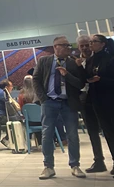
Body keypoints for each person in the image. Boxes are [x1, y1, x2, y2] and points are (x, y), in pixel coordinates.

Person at [33, 36, 87, 180]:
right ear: (55, 47)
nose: (68, 48)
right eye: (65, 45)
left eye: (69, 45)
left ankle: (75, 165)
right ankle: (48, 166)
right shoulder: (44, 61)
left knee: (72, 135)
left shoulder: (73, 63)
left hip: (68, 102)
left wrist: (66, 75)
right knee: (47, 134)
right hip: (49, 102)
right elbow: (36, 79)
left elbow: (80, 84)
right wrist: (43, 98)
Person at [86, 34, 114, 177]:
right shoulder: (90, 61)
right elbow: (86, 77)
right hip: (97, 102)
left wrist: (101, 80)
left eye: (94, 42)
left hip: (112, 101)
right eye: (90, 42)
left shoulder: (112, 60)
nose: (91, 44)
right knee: (109, 134)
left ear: (103, 44)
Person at [75, 35, 107, 173]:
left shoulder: (100, 59)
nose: (85, 48)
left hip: (102, 97)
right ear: (78, 47)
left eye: (87, 45)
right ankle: (99, 160)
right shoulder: (76, 62)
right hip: (84, 98)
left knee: (109, 129)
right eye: (81, 46)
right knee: (92, 131)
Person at [0, 80, 21, 147]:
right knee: (17, 121)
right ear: (6, 87)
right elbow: (10, 107)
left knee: (15, 118)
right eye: (11, 86)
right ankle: (7, 139)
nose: (12, 88)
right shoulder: (2, 93)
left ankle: (11, 140)